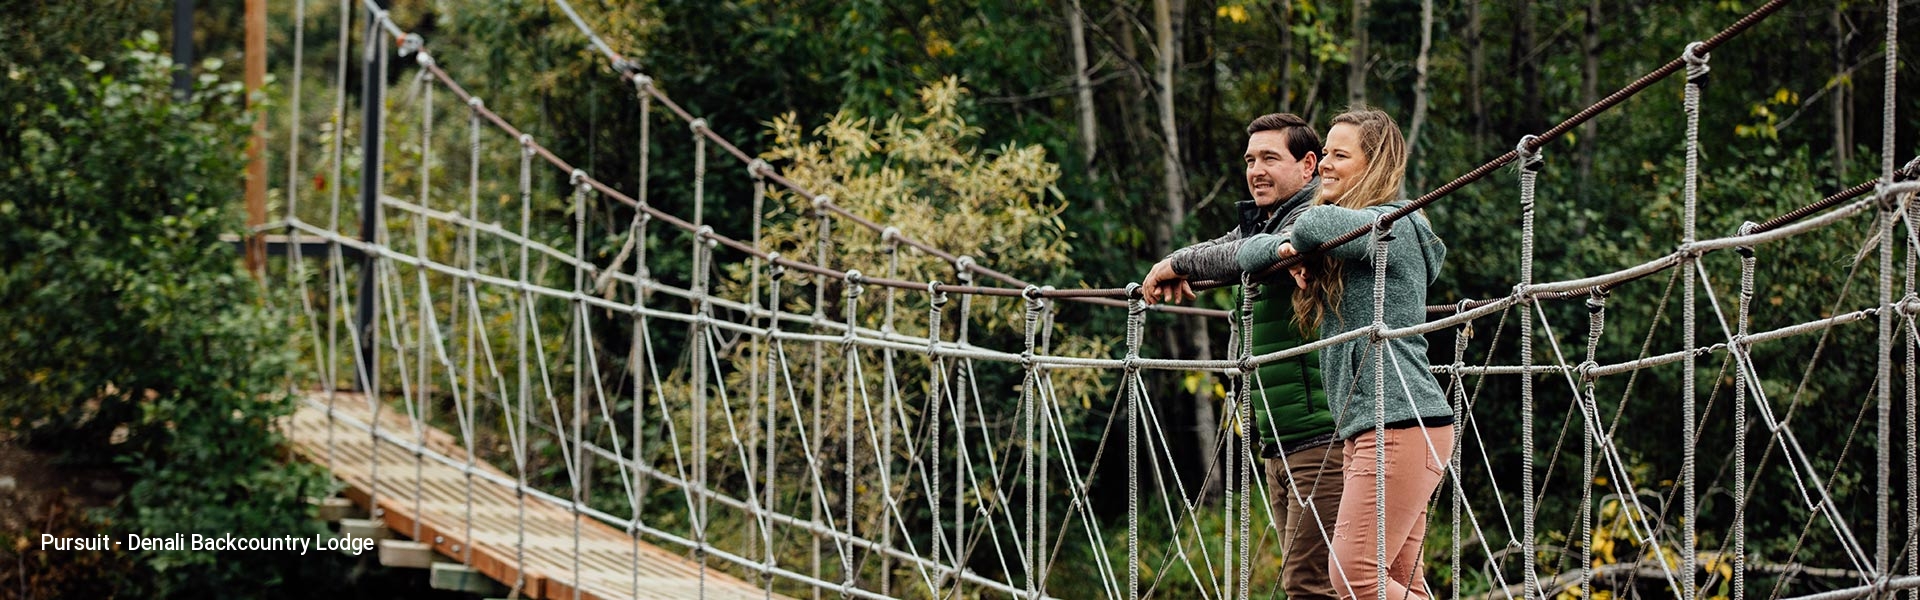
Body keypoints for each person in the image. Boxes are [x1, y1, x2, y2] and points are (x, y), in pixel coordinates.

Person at [1235, 106, 1454, 600]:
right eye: (1325, 152)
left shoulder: (1390, 227)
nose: (1326, 165)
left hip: (1400, 419)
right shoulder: (1350, 238)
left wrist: (1297, 243)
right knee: (1398, 582)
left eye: (1339, 154)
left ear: (1373, 163)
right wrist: (1288, 249)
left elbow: (1311, 228)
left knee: (1353, 576)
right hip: (1372, 424)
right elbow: (1251, 253)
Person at [1140, 112, 1344, 600]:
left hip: (1321, 436)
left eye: (1270, 158)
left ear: (1308, 164)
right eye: (1250, 160)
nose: (1256, 170)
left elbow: (1250, 253)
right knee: (1317, 585)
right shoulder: (1268, 224)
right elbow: (1235, 246)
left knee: (1311, 585)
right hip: (1280, 438)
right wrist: (1182, 262)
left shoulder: (1309, 223)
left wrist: (1175, 263)